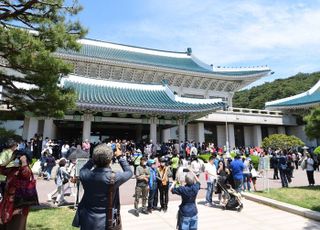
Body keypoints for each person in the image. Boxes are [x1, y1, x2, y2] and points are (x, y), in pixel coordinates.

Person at [72, 144, 132, 230]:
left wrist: (95, 157)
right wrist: (120, 157)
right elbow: (129, 172)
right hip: (107, 221)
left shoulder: (84, 174)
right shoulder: (114, 178)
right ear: (110, 160)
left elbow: (84, 168)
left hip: (87, 219)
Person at [0, 151, 36, 230]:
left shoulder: (26, 170)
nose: (17, 160)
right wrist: (9, 160)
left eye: (19, 158)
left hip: (19, 204)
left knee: (16, 225)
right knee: (4, 225)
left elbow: (26, 173)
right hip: (7, 202)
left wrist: (24, 162)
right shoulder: (13, 170)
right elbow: (1, 169)